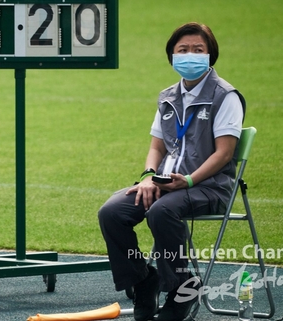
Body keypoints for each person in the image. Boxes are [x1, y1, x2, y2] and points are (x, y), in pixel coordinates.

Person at [98, 22, 245, 321]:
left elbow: (224, 153)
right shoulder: (167, 97)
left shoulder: (225, 96)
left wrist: (189, 180)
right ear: (172, 56)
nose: (190, 55)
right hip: (166, 184)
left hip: (208, 187)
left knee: (161, 212)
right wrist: (148, 177)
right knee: (111, 213)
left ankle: (182, 289)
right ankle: (143, 279)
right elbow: (157, 148)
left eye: (198, 50)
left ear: (210, 55)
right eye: (183, 50)